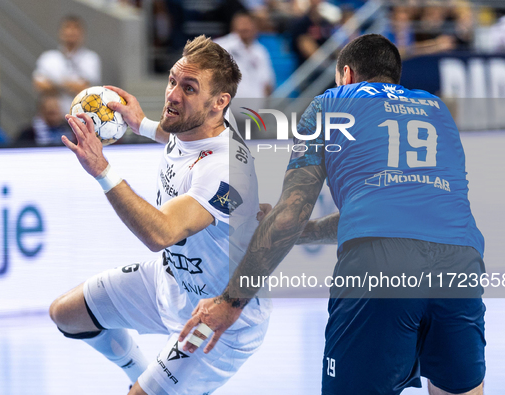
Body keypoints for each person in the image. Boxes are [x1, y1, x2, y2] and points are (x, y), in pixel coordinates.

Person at [180, 34, 486, 395]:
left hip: (380, 266)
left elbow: (290, 215)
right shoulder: (436, 109)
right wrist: (306, 232)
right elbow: (402, 208)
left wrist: (231, 300)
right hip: (461, 262)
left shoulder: (331, 104)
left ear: (346, 74)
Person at [48, 35, 271, 395]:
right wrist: (141, 124)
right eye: (172, 81)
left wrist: (102, 170)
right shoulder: (191, 127)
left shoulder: (225, 168)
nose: (173, 95)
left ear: (219, 102)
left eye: (188, 88)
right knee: (67, 314)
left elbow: (160, 233)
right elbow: (174, 137)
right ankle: (142, 376)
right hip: (170, 284)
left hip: (218, 316)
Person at [33, 16, 101, 114]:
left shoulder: (91, 58)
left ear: (82, 33)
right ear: (60, 32)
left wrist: (54, 84)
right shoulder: (48, 57)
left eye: (75, 28)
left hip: (82, 116)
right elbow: (39, 86)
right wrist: (70, 85)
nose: (71, 32)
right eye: (67, 27)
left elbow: (84, 90)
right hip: (54, 117)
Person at [214, 12, 276, 99]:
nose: (245, 27)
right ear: (233, 26)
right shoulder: (220, 47)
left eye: (248, 24)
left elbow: (267, 82)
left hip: (254, 108)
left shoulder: (260, 50)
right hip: (228, 107)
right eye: (242, 24)